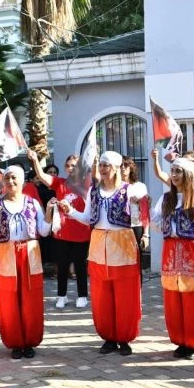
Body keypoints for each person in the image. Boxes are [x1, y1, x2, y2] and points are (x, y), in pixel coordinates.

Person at [61, 151, 142, 355]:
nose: (103, 169)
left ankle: (124, 337)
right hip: (98, 244)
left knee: (125, 294)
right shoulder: (93, 192)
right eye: (101, 165)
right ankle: (108, 336)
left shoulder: (129, 190)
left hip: (122, 243)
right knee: (102, 294)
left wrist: (139, 206)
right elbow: (89, 218)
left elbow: (138, 219)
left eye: (107, 165)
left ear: (116, 168)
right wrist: (69, 211)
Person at [0, 165, 52, 359]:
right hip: (6, 255)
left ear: (22, 181)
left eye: (14, 178)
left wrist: (50, 213)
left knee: (31, 300)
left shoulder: (32, 203)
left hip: (29, 254)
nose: (10, 182)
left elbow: (44, 231)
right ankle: (15, 342)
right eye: (7, 178)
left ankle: (29, 341)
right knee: (8, 300)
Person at [152, 158, 194, 360]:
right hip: (171, 249)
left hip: (193, 249)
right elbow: (157, 223)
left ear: (188, 174)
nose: (175, 175)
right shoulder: (166, 198)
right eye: (173, 171)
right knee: (174, 296)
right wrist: (147, 210)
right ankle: (180, 339)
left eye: (179, 171)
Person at [28, 150, 91, 309]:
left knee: (80, 266)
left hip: (81, 233)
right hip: (62, 233)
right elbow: (42, 176)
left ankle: (82, 296)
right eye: (68, 166)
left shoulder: (86, 184)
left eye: (74, 166)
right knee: (62, 266)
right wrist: (35, 159)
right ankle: (62, 296)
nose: (71, 168)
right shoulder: (60, 183)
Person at [121, 157, 150, 261]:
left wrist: (146, 234)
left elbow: (145, 211)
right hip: (119, 227)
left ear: (131, 168)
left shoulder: (140, 186)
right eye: (120, 166)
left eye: (125, 165)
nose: (123, 168)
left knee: (136, 259)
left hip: (136, 225)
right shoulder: (114, 186)